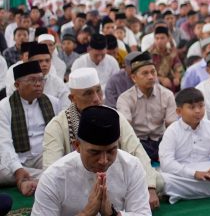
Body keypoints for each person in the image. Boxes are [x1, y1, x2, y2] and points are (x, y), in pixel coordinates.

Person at [42, 67, 161, 209]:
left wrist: (150, 187)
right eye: (88, 93)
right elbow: (51, 171)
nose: (96, 99)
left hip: (114, 176)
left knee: (158, 181)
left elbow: (136, 151)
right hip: (75, 183)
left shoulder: (113, 117)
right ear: (72, 98)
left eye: (98, 90)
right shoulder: (57, 126)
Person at [32, 105, 151, 216]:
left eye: (111, 151)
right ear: (77, 146)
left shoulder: (131, 167)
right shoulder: (53, 178)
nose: (104, 161)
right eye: (95, 152)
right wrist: (86, 213)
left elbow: (143, 213)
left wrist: (112, 214)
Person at [159, 88, 210, 204]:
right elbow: (167, 163)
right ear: (179, 111)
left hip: (208, 169)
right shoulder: (172, 131)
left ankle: (184, 193)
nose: (198, 111)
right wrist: (194, 174)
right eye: (192, 107)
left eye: (201, 106)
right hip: (182, 173)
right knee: (165, 180)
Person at [0, 61, 60, 195]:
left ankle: (26, 181)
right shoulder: (4, 107)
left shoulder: (53, 102)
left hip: (42, 156)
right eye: (32, 80)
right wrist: (17, 169)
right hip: (14, 159)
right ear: (17, 85)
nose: (38, 84)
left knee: (59, 166)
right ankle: (40, 179)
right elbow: (4, 143)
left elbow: (57, 138)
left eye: (41, 79)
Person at [116, 52, 178, 162]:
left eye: (153, 72)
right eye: (145, 73)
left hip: (161, 140)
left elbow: (172, 126)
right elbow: (126, 129)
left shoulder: (167, 95)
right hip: (137, 142)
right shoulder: (125, 99)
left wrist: (167, 149)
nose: (150, 77)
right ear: (134, 78)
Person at [149, 26, 184, 92]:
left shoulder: (172, 52)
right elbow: (147, 73)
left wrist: (177, 77)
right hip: (154, 85)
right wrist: (161, 79)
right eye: (157, 38)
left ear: (168, 39)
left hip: (171, 85)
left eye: (162, 38)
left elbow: (178, 67)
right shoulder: (149, 54)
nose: (159, 41)